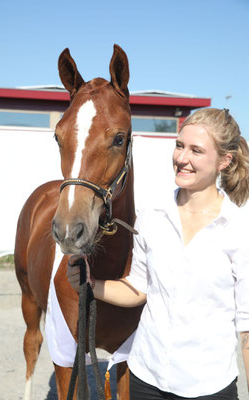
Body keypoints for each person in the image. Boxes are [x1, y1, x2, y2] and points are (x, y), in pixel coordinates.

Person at [67, 108, 249, 399]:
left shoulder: (240, 230)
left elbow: (247, 327)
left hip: (208, 386)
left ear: (224, 162)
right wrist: (89, 284)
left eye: (196, 150)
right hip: (146, 378)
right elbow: (139, 288)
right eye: (179, 146)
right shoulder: (152, 216)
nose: (181, 158)